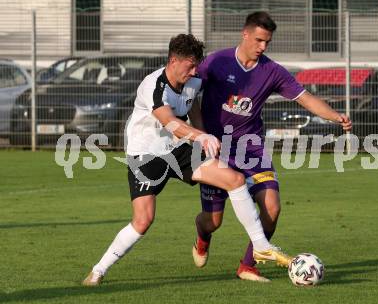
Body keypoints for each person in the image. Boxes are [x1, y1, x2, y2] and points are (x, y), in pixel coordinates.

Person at [82, 34, 292, 286]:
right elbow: (169, 121)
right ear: (173, 61)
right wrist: (201, 136)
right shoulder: (154, 85)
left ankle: (260, 246)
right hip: (147, 154)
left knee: (234, 179)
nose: (195, 71)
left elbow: (192, 105)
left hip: (179, 149)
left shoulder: (191, 80)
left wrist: (204, 135)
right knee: (143, 221)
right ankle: (98, 271)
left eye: (197, 65)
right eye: (190, 65)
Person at [192, 12, 352, 282]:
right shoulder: (216, 62)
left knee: (272, 208)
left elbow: (305, 98)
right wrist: (201, 135)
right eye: (258, 40)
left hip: (251, 149)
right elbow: (191, 99)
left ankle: (247, 265)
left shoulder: (272, 71)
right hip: (216, 150)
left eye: (267, 42)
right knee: (213, 221)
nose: (263, 47)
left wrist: (335, 116)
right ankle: (202, 236)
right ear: (245, 34)